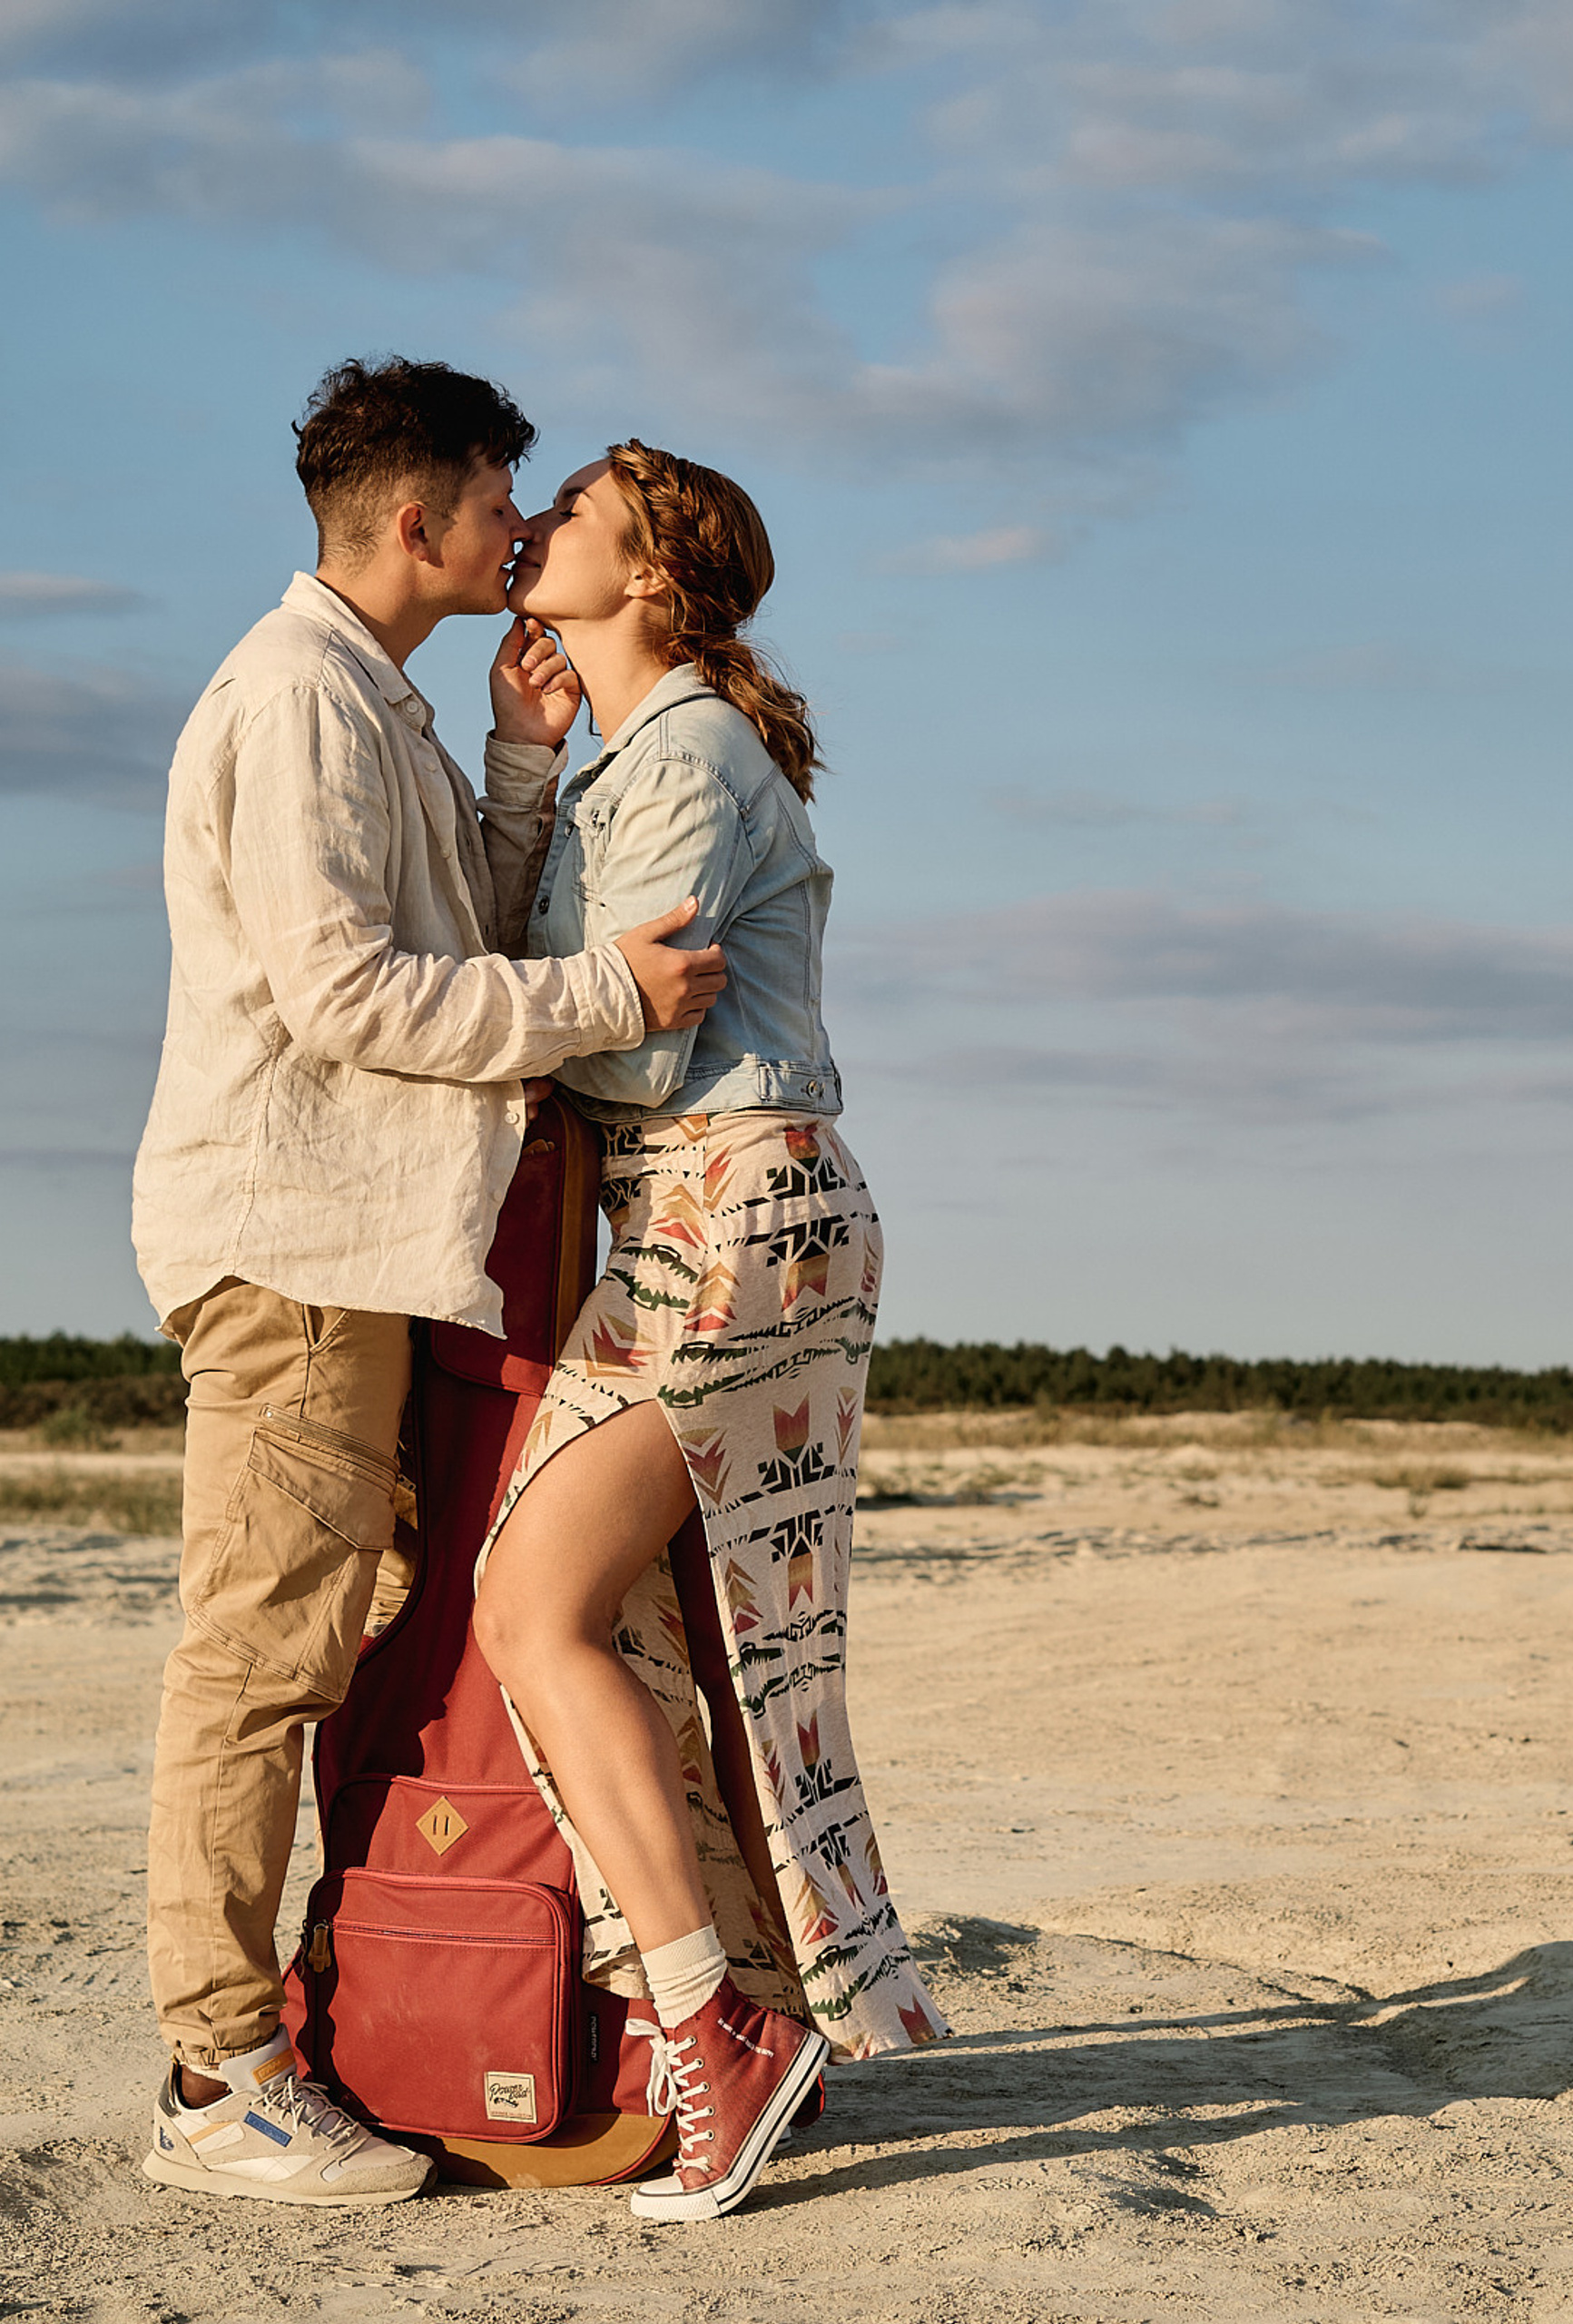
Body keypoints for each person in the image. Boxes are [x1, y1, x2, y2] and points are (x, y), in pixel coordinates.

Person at [132, 361, 732, 2208]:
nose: (517, 530)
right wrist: (607, 996)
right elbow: (351, 997)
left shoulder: (363, 695)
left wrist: (520, 767)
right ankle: (218, 2070)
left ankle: (329, 2016)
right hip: (295, 1247)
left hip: (362, 1253)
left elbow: (431, 937)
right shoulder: (299, 696)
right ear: (420, 522)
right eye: (498, 501)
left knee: (341, 1657)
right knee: (263, 1657)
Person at [469, 440, 947, 2224]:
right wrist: (525, 766)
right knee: (671, 1623)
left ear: (653, 575)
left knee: (535, 1609)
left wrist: (487, 1028)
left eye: (571, 514)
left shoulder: (681, 752)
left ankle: (713, 2039)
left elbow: (636, 1044)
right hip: (726, 1205)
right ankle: (745, 2015)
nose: (534, 529)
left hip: (718, 1196)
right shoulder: (639, 755)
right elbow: (566, 968)